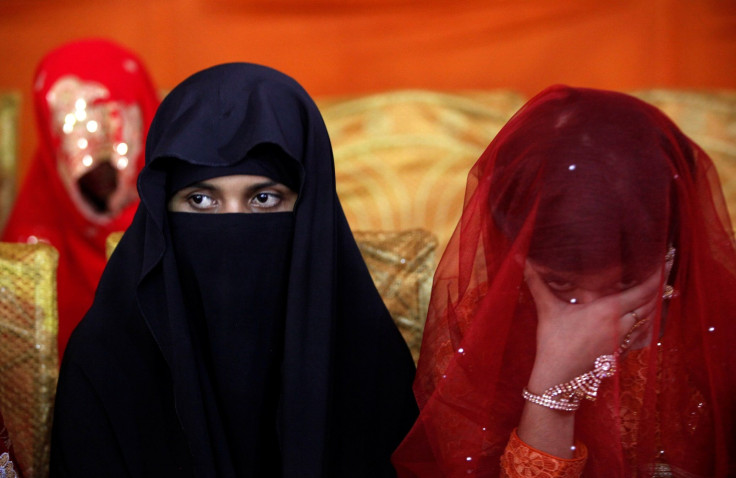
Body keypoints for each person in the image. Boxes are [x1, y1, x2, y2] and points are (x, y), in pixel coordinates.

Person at [50, 63, 418, 477]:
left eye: (263, 199)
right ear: (162, 213)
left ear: (308, 211)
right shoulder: (107, 362)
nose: (232, 226)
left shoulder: (364, 357)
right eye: (201, 201)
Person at [391, 86, 736, 477]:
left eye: (624, 286)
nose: (595, 315)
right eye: (563, 288)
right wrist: (552, 389)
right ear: (516, 252)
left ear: (673, 244)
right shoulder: (482, 332)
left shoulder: (722, 322)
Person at [1, 38, 159, 359]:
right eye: (74, 132)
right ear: (51, 138)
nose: (99, 160)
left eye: (116, 128)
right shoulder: (29, 254)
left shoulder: (185, 225)